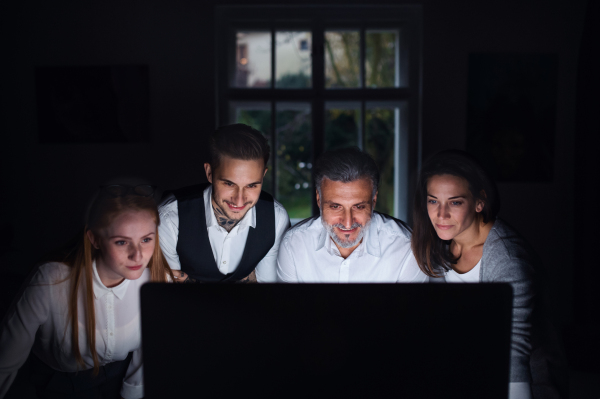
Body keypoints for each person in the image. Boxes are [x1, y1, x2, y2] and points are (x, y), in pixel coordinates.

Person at [411, 149, 566, 399]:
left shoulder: (507, 260)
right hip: (473, 374)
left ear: (479, 202)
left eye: (455, 202)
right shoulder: (442, 242)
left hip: (525, 386)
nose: (441, 214)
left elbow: (512, 353)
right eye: (433, 201)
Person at [0, 184, 174, 399]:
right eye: (121, 242)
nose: (137, 256)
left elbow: (147, 355)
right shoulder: (49, 281)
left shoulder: (158, 281)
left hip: (121, 380)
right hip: (59, 385)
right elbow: (5, 360)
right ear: (95, 239)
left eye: (146, 239)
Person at [158, 124, 290, 283]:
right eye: (229, 184)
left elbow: (266, 291)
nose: (239, 200)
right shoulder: (170, 218)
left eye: (252, 185)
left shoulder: (276, 218)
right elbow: (168, 296)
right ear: (209, 173)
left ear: (263, 175)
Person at [277, 147, 427, 283]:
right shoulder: (294, 246)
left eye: (359, 206)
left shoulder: (407, 249)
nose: (348, 223)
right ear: (318, 199)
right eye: (335, 207)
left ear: (374, 200)